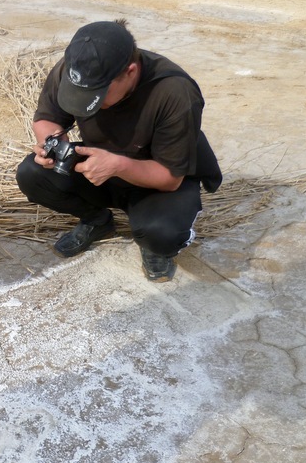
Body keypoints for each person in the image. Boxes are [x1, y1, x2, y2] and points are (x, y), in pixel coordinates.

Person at [16, 20, 222, 282]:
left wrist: (117, 166)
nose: (88, 101)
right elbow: (47, 119)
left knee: (163, 234)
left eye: (97, 95)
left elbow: (169, 178)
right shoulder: (77, 69)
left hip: (156, 178)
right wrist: (52, 145)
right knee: (32, 174)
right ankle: (97, 221)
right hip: (100, 165)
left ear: (130, 71)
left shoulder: (174, 91)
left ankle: (155, 246)